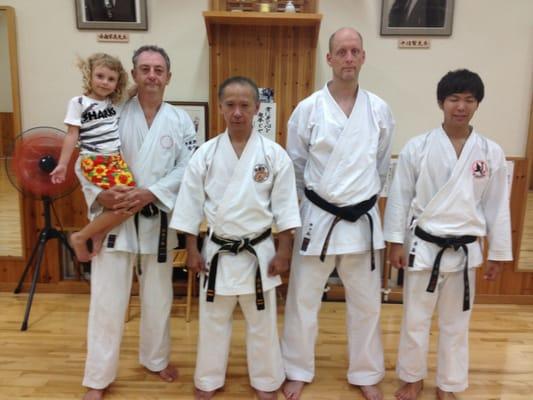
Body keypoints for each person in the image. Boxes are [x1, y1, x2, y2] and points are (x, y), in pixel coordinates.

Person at [383, 69, 512, 400]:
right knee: (415, 320)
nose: (461, 106)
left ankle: (449, 384)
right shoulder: (418, 147)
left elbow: (498, 206)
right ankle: (411, 379)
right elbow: (399, 196)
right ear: (441, 102)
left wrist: (497, 254)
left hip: (466, 251)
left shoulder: (490, 152)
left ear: (477, 104)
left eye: (469, 100)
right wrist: (395, 242)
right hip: (425, 247)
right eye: (454, 99)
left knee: (457, 325)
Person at [77, 45, 197, 400]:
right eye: (145, 69)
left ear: (168, 77)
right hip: (114, 221)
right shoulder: (109, 114)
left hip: (157, 218)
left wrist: (150, 192)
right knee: (107, 302)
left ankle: (155, 359)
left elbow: (189, 166)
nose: (152, 76)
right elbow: (85, 159)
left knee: (158, 299)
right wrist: (99, 196)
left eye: (159, 70)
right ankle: (97, 378)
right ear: (134, 74)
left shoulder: (180, 121)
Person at [169, 76, 301, 400]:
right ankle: (208, 380)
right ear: (220, 107)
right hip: (217, 252)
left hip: (259, 251)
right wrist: (192, 249)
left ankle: (267, 382)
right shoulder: (205, 154)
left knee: (263, 322)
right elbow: (189, 206)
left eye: (245, 105)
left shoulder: (274, 154)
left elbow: (285, 209)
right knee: (213, 321)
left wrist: (284, 253)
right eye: (231, 105)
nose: (238, 112)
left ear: (257, 108)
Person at [280, 28, 395, 400]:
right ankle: (296, 369)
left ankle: (365, 372)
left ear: (363, 58)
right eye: (341, 52)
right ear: (328, 59)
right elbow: (294, 167)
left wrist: (362, 202)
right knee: (302, 300)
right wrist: (303, 213)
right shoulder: (309, 108)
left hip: (361, 221)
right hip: (318, 218)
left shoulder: (378, 109)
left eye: (354, 51)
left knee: (366, 304)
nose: (348, 58)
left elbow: (380, 167)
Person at [50, 53, 134, 262]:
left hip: (115, 160)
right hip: (94, 159)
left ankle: (98, 234)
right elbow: (72, 134)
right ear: (89, 76)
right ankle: (81, 236)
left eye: (111, 79)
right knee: (126, 203)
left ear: (117, 83)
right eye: (100, 76)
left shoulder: (112, 104)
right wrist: (62, 164)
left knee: (129, 203)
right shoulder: (79, 102)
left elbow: (133, 91)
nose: (105, 82)